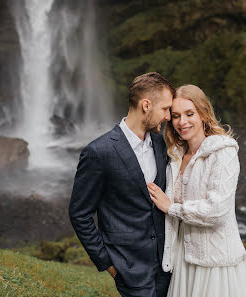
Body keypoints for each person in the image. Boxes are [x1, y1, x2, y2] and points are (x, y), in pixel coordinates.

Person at [69, 72, 175, 297]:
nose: (168, 116)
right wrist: (108, 263)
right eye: (165, 109)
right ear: (146, 105)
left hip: (168, 268)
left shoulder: (160, 143)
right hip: (129, 271)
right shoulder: (98, 152)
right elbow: (80, 214)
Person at [147, 84, 246, 297]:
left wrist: (172, 208)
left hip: (216, 262)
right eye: (176, 115)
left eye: (190, 114)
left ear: (204, 113)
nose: (182, 122)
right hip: (183, 259)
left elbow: (216, 211)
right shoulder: (174, 157)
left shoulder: (223, 152)